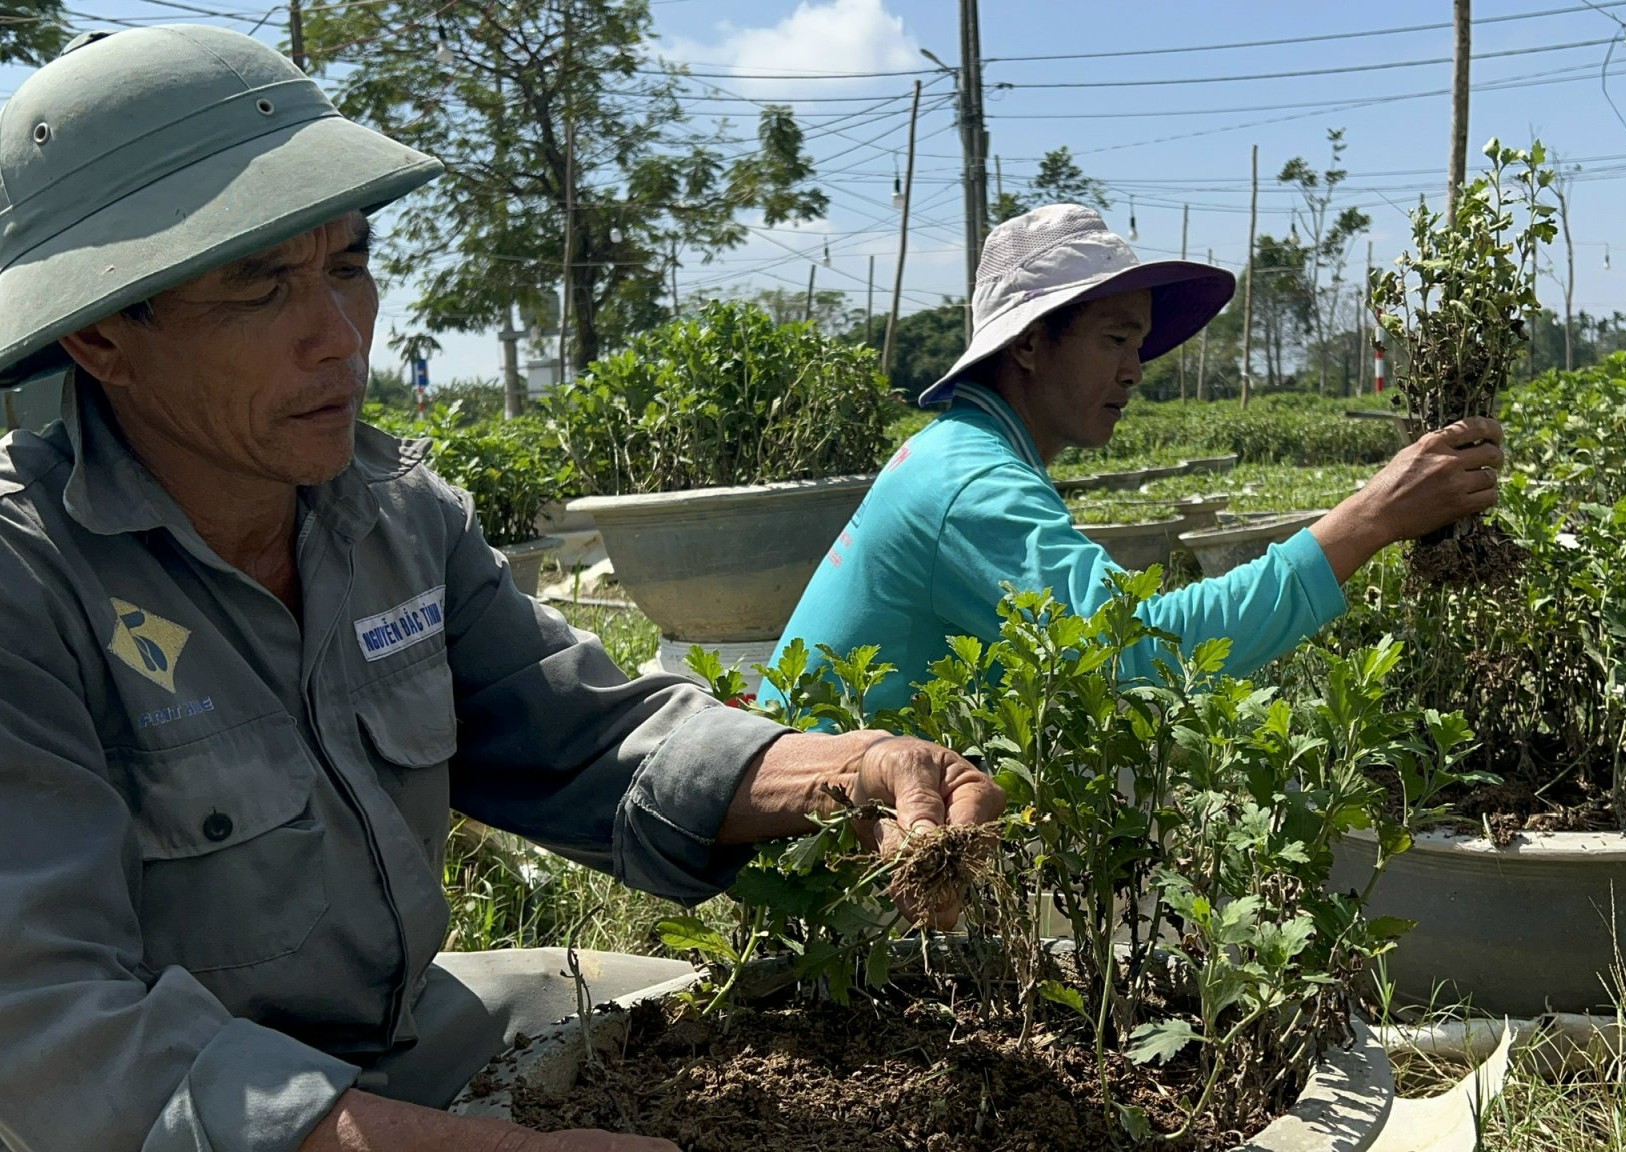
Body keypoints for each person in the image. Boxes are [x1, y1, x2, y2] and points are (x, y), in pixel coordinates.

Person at [0, 26, 1003, 1152]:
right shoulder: (26, 582)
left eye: (346, 267)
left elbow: (581, 737)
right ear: (103, 335)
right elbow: (51, 1035)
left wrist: (850, 769)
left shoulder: (391, 515)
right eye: (258, 285)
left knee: (729, 1018)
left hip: (399, 1037)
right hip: (165, 1117)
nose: (338, 339)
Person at [767, 204, 1503, 714]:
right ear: (1029, 344)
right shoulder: (971, 482)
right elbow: (1137, 651)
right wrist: (1369, 519)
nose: (1134, 371)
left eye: (1139, 345)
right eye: (1115, 340)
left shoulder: (961, 450)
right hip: (823, 838)